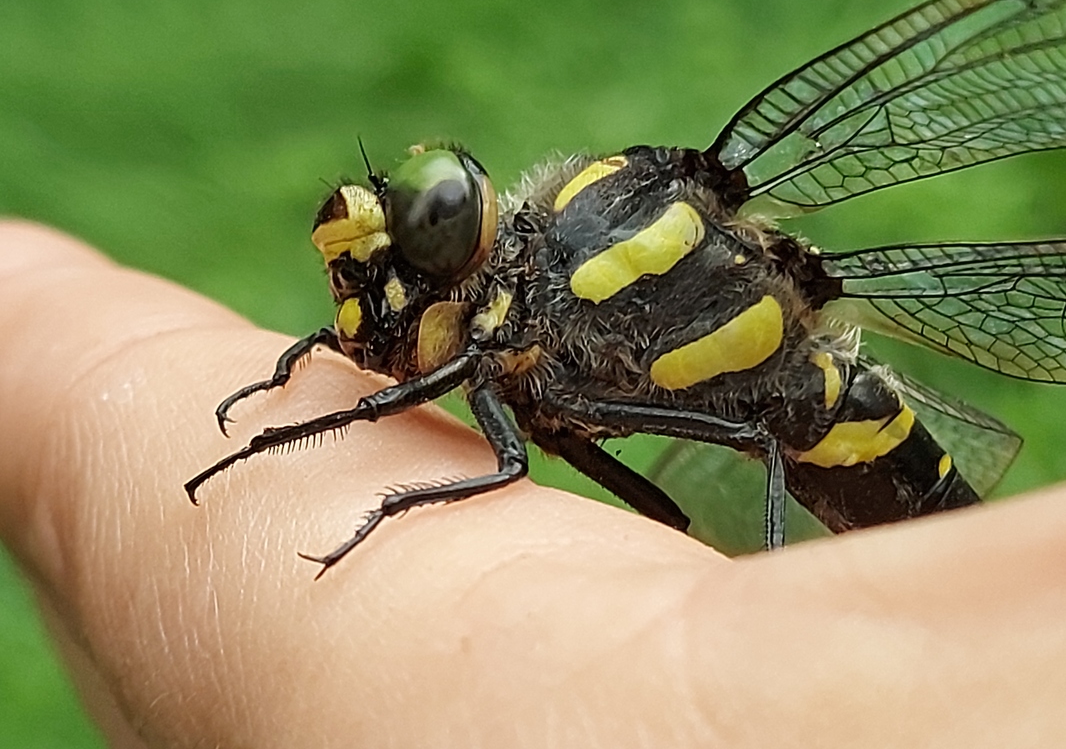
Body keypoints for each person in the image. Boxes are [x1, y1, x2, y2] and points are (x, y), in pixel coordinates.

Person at [1, 218, 1064, 747]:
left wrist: (340, 475)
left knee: (777, 434)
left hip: (833, 426)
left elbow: (499, 435)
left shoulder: (556, 284)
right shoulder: (504, 314)